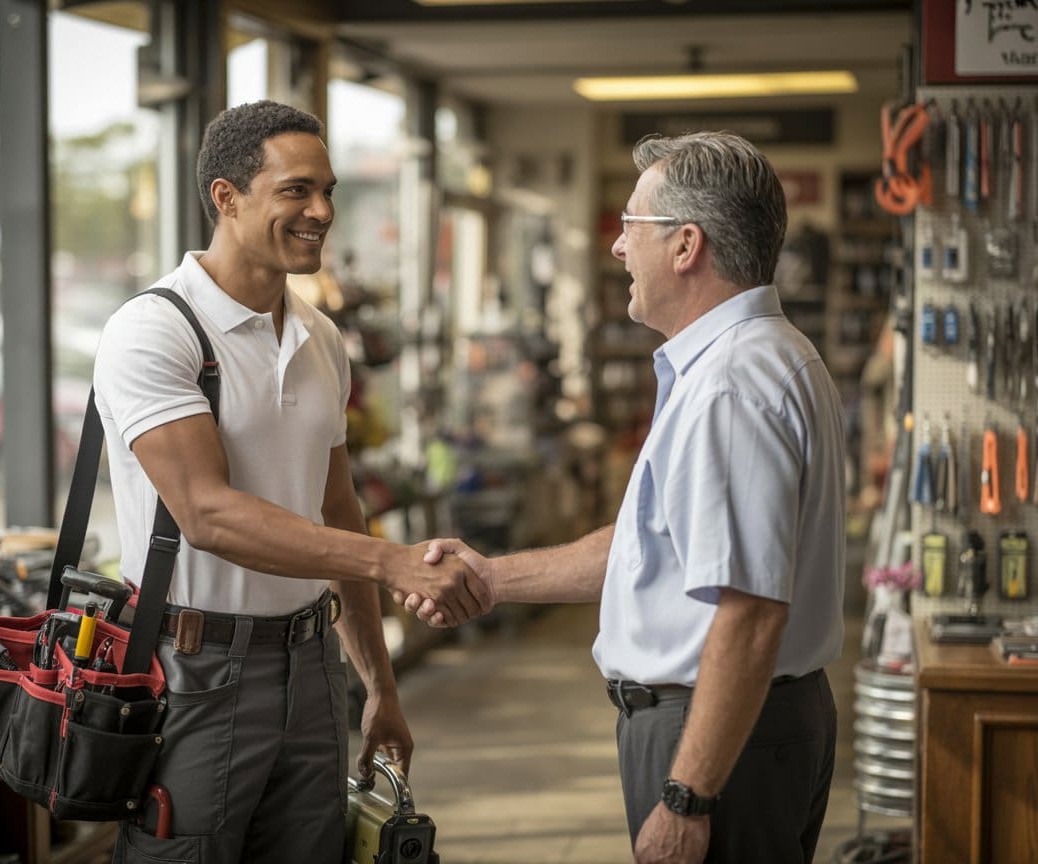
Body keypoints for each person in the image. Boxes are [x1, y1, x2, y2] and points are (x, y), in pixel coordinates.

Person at [412, 131, 845, 864]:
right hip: (747, 726)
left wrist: (687, 798)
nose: (617, 248)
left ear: (686, 246)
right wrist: (492, 577)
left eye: (630, 226)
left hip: (714, 737)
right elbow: (653, 546)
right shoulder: (765, 357)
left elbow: (749, 610)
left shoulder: (730, 387)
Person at [93, 100, 490, 864]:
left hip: (313, 667)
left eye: (327, 191)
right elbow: (207, 513)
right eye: (297, 190)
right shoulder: (156, 329)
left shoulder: (320, 337)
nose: (322, 212)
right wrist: (392, 562)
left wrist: (379, 684)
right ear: (227, 197)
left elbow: (340, 512)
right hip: (193, 669)